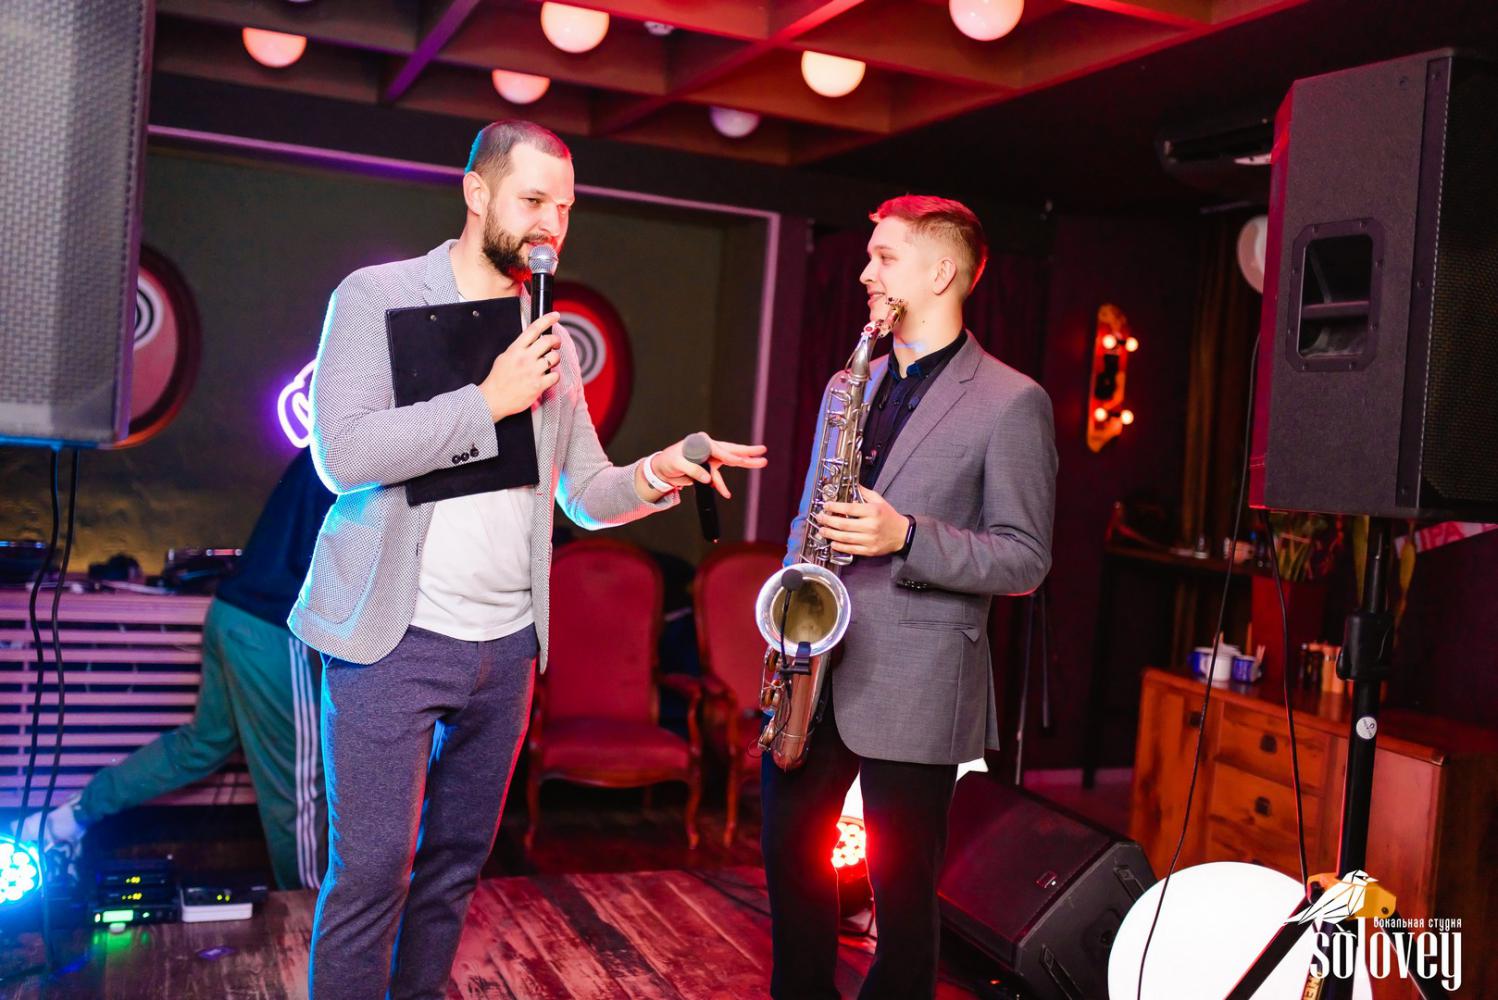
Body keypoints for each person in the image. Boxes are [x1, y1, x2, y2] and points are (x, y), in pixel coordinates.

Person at [289, 119, 766, 1000]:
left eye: (567, 208)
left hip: (507, 649)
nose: (553, 223)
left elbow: (586, 492)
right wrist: (488, 401)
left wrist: (663, 469)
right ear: (477, 193)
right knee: (374, 873)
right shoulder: (376, 295)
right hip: (394, 637)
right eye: (535, 200)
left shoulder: (547, 335)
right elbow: (342, 456)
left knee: (454, 867)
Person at [760, 195, 1057, 999]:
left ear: (941, 271)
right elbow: (809, 515)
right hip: (815, 659)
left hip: (920, 677)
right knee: (788, 859)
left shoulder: (1012, 401)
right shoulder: (846, 385)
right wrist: (787, 618)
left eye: (885, 257)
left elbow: (1026, 558)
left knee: (903, 897)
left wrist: (907, 537)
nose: (867, 272)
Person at [15, 447, 334, 891]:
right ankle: (312, 911)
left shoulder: (332, 436)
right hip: (276, 625)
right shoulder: (371, 441)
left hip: (232, 613)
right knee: (303, 785)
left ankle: (66, 818)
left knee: (200, 746)